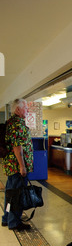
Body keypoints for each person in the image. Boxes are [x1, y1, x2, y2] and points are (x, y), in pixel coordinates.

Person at [2, 99, 33, 231]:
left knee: (10, 193)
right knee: (17, 195)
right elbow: (17, 147)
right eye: (25, 108)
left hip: (11, 166)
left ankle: (7, 218)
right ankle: (14, 222)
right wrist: (22, 166)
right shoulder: (17, 124)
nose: (27, 110)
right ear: (18, 110)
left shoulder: (11, 122)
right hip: (16, 167)